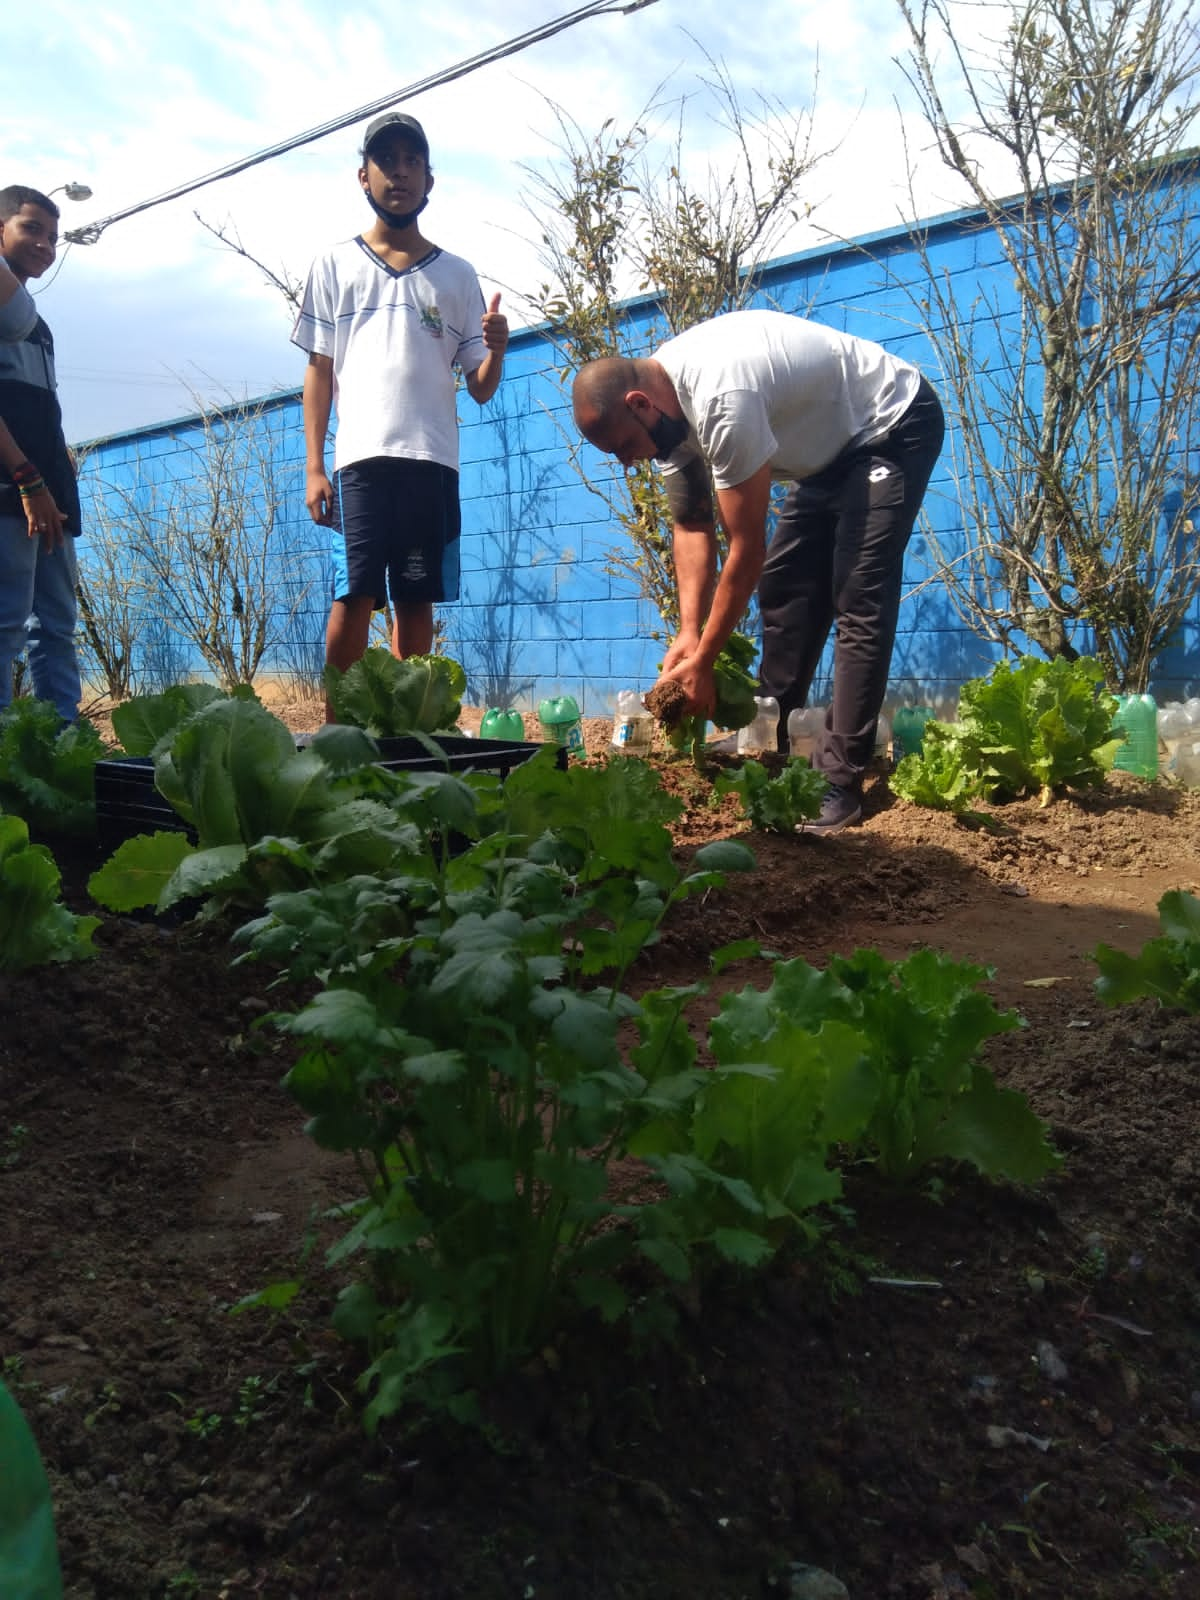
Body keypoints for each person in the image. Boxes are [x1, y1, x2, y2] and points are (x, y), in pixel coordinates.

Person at [572, 308, 945, 833]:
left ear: (639, 405)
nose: (628, 463)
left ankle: (839, 778)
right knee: (787, 586)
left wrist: (705, 661)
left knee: (858, 596)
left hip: (890, 424)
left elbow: (745, 548)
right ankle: (771, 736)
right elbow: (692, 527)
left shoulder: (723, 400)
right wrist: (688, 633)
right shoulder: (668, 414)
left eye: (625, 448)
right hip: (828, 453)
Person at [292, 111, 508, 719]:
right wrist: (314, 467)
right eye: (387, 160)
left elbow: (482, 388)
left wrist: (497, 348)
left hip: (432, 464)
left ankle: (407, 734)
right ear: (363, 176)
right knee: (353, 596)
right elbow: (318, 371)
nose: (401, 172)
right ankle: (341, 732)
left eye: (413, 161)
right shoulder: (334, 265)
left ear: (430, 180)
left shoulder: (457, 275)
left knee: (416, 602)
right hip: (359, 462)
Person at [0, 187, 83, 723]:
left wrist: (53, 474)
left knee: (55, 624)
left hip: (50, 490)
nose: (45, 245)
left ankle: (65, 752)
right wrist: (26, 479)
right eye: (31, 229)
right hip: (14, 490)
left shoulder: (32, 317)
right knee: (6, 623)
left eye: (52, 237)